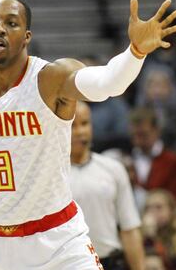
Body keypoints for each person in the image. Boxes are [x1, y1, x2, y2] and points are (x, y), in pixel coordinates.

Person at [0, 0, 176, 269]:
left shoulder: (51, 78)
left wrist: (136, 52)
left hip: (56, 241)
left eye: (11, 23)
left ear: (26, 37)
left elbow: (108, 83)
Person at [69, 101, 144, 270]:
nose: (80, 131)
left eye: (85, 123)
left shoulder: (113, 168)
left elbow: (129, 228)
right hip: (70, 263)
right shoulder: (53, 175)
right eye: (72, 125)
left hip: (111, 261)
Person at [129, 107, 176, 203]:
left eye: (143, 134)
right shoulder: (127, 160)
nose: (137, 140)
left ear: (157, 130)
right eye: (134, 135)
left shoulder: (173, 161)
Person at [142, 189, 176, 270]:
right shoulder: (140, 239)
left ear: (171, 210)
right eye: (148, 208)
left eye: (159, 207)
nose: (152, 211)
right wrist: (149, 236)